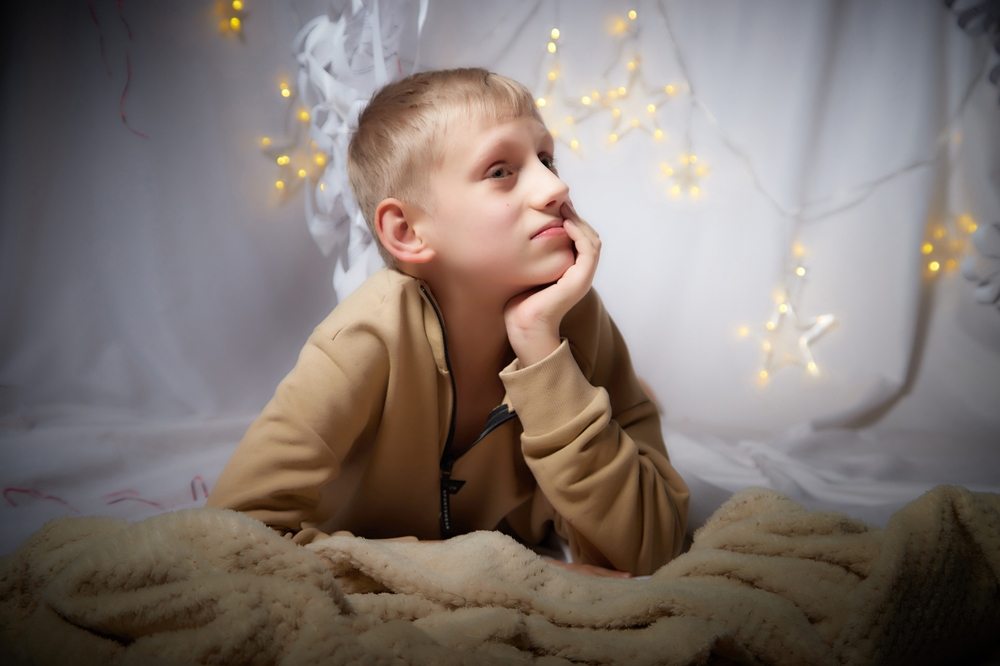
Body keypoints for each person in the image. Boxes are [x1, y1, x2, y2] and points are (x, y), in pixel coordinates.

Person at [206, 68, 689, 577]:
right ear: (409, 231)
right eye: (501, 170)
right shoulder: (365, 337)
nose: (556, 185)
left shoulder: (574, 320)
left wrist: (544, 356)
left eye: (546, 158)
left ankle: (640, 398)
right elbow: (231, 538)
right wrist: (516, 576)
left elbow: (653, 551)